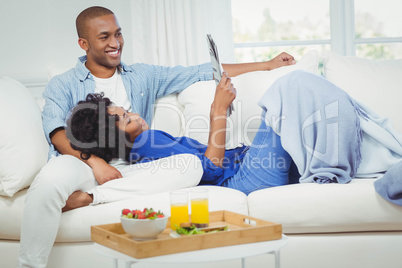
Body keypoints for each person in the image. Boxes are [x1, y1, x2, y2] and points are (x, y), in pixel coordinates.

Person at [17, 5, 296, 268]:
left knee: (185, 167)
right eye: (104, 37)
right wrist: (94, 162)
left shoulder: (141, 76)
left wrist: (267, 65)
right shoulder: (64, 83)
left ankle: (92, 197)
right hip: (79, 158)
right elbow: (56, 131)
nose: (115, 43)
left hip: (132, 163)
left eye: (118, 33)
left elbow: (198, 72)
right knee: (51, 181)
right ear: (84, 44)